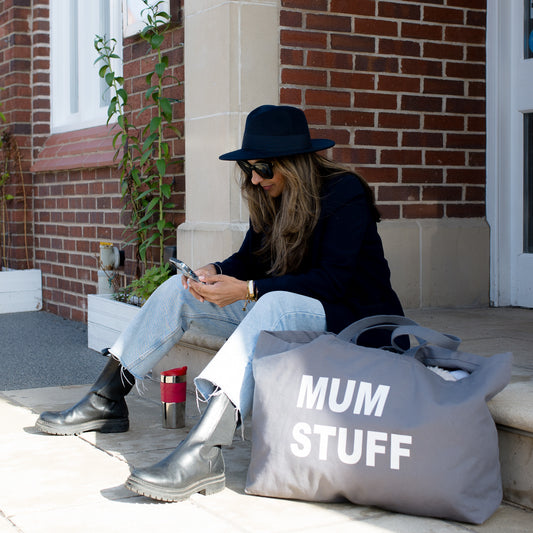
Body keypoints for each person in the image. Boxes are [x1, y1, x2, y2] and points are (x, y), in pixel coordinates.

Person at [35, 104, 405, 502]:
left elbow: (332, 282)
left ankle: (204, 452)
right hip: (293, 316)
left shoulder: (344, 193)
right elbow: (249, 259)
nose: (254, 178)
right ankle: (107, 397)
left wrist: (247, 290)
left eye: (263, 168)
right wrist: (215, 270)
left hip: (353, 322)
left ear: (293, 163)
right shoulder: (272, 197)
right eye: (249, 169)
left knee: (274, 302)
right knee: (181, 288)